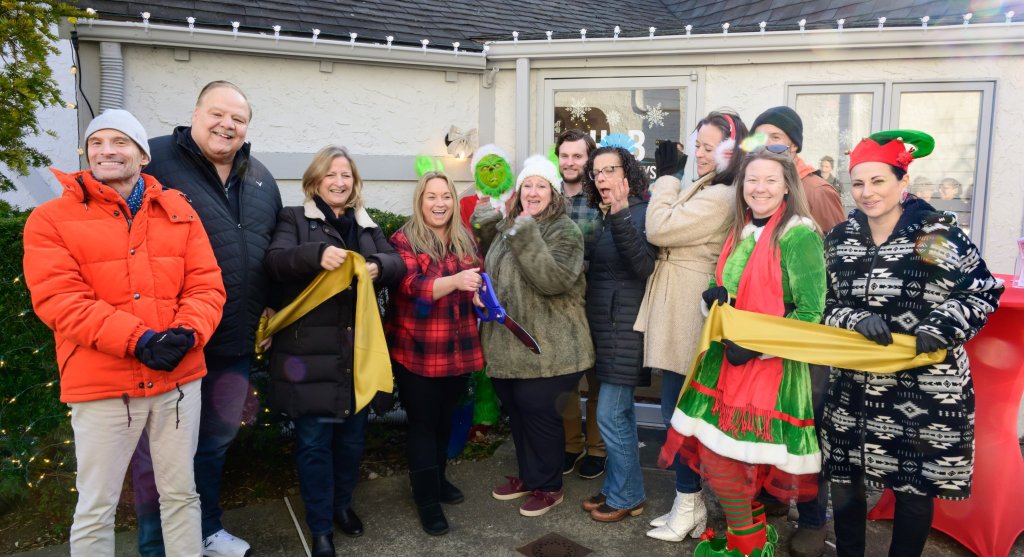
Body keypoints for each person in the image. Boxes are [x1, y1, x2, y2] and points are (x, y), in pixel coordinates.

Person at [22, 109, 226, 555]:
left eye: (120, 142)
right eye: (97, 143)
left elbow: (206, 284)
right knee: (97, 505)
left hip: (177, 379)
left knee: (180, 494)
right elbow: (59, 299)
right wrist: (139, 340)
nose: (106, 151)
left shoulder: (179, 212)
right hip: (103, 384)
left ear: (142, 154)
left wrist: (188, 333)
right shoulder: (50, 219)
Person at [821, 131, 1004, 557]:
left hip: (923, 386)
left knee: (914, 488)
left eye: (879, 181)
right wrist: (854, 317)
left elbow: (981, 289)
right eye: (859, 184)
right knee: (846, 485)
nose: (867, 193)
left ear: (903, 182)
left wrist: (942, 324)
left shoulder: (935, 235)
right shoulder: (840, 240)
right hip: (854, 386)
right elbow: (823, 305)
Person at [130, 80, 282, 557]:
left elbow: (269, 249)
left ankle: (206, 530)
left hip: (233, 343)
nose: (227, 125)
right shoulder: (154, 162)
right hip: (172, 343)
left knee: (214, 446)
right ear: (195, 114)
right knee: (159, 458)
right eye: (217, 114)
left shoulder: (259, 177)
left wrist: (272, 306)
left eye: (238, 119)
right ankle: (156, 548)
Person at [664, 147, 826, 557]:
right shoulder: (741, 228)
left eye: (771, 179)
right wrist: (714, 300)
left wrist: (756, 347)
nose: (760, 188)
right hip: (726, 362)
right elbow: (734, 294)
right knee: (725, 461)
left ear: (787, 185)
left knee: (727, 463)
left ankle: (749, 547)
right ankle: (752, 537)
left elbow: (810, 313)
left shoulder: (799, 233)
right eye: (752, 179)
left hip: (767, 369)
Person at [263, 145, 404, 556]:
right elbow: (275, 261)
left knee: (352, 441)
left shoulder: (365, 223)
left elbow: (398, 264)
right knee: (312, 445)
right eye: (331, 175)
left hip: (356, 354)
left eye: (346, 176)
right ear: (315, 181)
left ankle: (343, 506)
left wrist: (377, 264)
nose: (340, 182)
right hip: (310, 355)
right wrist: (315, 256)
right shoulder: (293, 218)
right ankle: (321, 526)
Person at [635, 109, 748, 543]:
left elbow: (659, 227)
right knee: (674, 412)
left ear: (732, 151)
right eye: (697, 146)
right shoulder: (710, 184)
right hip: (677, 301)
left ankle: (689, 503)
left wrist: (664, 179)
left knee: (679, 413)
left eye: (710, 148)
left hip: (689, 308)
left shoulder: (722, 195)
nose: (699, 155)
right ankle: (688, 503)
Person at [473, 155, 594, 517]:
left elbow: (552, 281)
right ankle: (530, 476)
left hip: (551, 349)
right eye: (528, 185)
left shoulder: (564, 231)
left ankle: (549, 486)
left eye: (541, 185)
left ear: (553, 192)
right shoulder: (511, 226)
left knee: (540, 415)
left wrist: (525, 233)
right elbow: (496, 271)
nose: (533, 192)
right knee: (519, 412)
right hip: (509, 346)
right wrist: (483, 291)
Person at [750, 105, 846, 557]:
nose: (765, 148)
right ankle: (773, 495)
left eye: (775, 138)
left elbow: (835, 265)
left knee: (807, 426)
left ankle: (811, 519)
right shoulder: (760, 188)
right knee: (775, 422)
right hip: (766, 333)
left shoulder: (815, 191)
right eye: (758, 140)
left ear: (795, 145)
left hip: (807, 335)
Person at [389, 170, 484, 536]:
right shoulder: (404, 239)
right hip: (419, 350)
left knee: (446, 422)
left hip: (458, 350)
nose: (440, 203)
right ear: (420, 200)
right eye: (432, 196)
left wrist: (478, 294)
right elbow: (410, 286)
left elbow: (479, 277)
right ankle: (426, 501)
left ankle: (439, 480)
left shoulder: (464, 238)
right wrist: (457, 282)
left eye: (446, 196)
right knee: (424, 427)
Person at [576, 146, 656, 523]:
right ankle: (620, 489)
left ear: (629, 174)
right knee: (619, 415)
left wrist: (622, 212)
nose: (603, 178)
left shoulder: (639, 212)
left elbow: (643, 266)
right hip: (609, 332)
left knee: (610, 415)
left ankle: (626, 493)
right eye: (597, 173)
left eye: (610, 170)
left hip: (624, 332)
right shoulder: (609, 217)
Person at [556, 128, 607, 479]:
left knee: (599, 379)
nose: (570, 162)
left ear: (588, 160)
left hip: (597, 302)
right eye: (565, 155)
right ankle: (570, 446)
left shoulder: (600, 201)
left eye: (578, 156)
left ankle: (598, 448)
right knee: (565, 380)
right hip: (559, 307)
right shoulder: (547, 196)